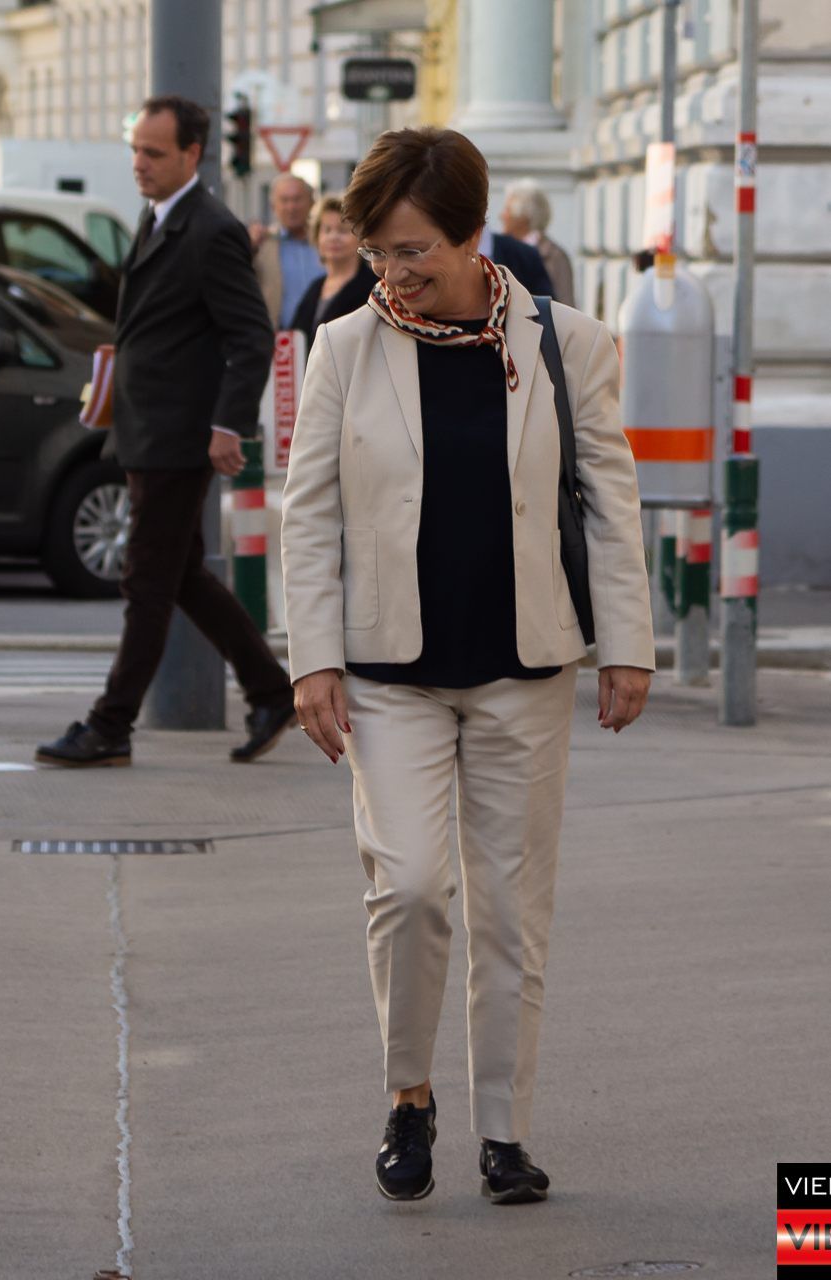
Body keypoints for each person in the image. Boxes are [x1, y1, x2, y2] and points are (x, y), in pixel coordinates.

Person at [280, 127, 654, 1205]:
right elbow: (308, 517)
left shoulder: (561, 343)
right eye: (377, 252)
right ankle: (408, 1093)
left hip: (520, 663)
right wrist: (310, 661)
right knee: (406, 886)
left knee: (508, 902)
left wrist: (624, 642)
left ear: (471, 236)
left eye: (412, 253)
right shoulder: (342, 346)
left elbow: (609, 500)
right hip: (389, 670)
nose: (391, 275)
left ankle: (503, 1129)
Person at [36, 95, 295, 769]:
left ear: (192, 155)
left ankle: (110, 725)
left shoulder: (211, 229)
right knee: (181, 578)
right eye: (135, 150)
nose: (139, 164)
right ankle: (272, 691)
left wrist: (226, 424)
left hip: (179, 438)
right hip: (148, 427)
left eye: (154, 153)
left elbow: (250, 336)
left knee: (146, 583)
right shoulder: (157, 218)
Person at [287, 193, 377, 354]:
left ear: (362, 239)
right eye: (326, 230)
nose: (333, 237)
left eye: (343, 230)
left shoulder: (374, 287)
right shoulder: (315, 287)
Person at [252, 173, 320, 327]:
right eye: (284, 200)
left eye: (297, 199)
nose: (291, 207)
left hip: (328, 335)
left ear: (312, 202)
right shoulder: (263, 246)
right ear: (273, 206)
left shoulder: (325, 242)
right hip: (282, 341)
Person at [502, 178, 576, 306]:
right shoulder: (502, 250)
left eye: (508, 210)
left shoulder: (554, 256)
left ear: (523, 216)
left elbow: (567, 308)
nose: (502, 215)